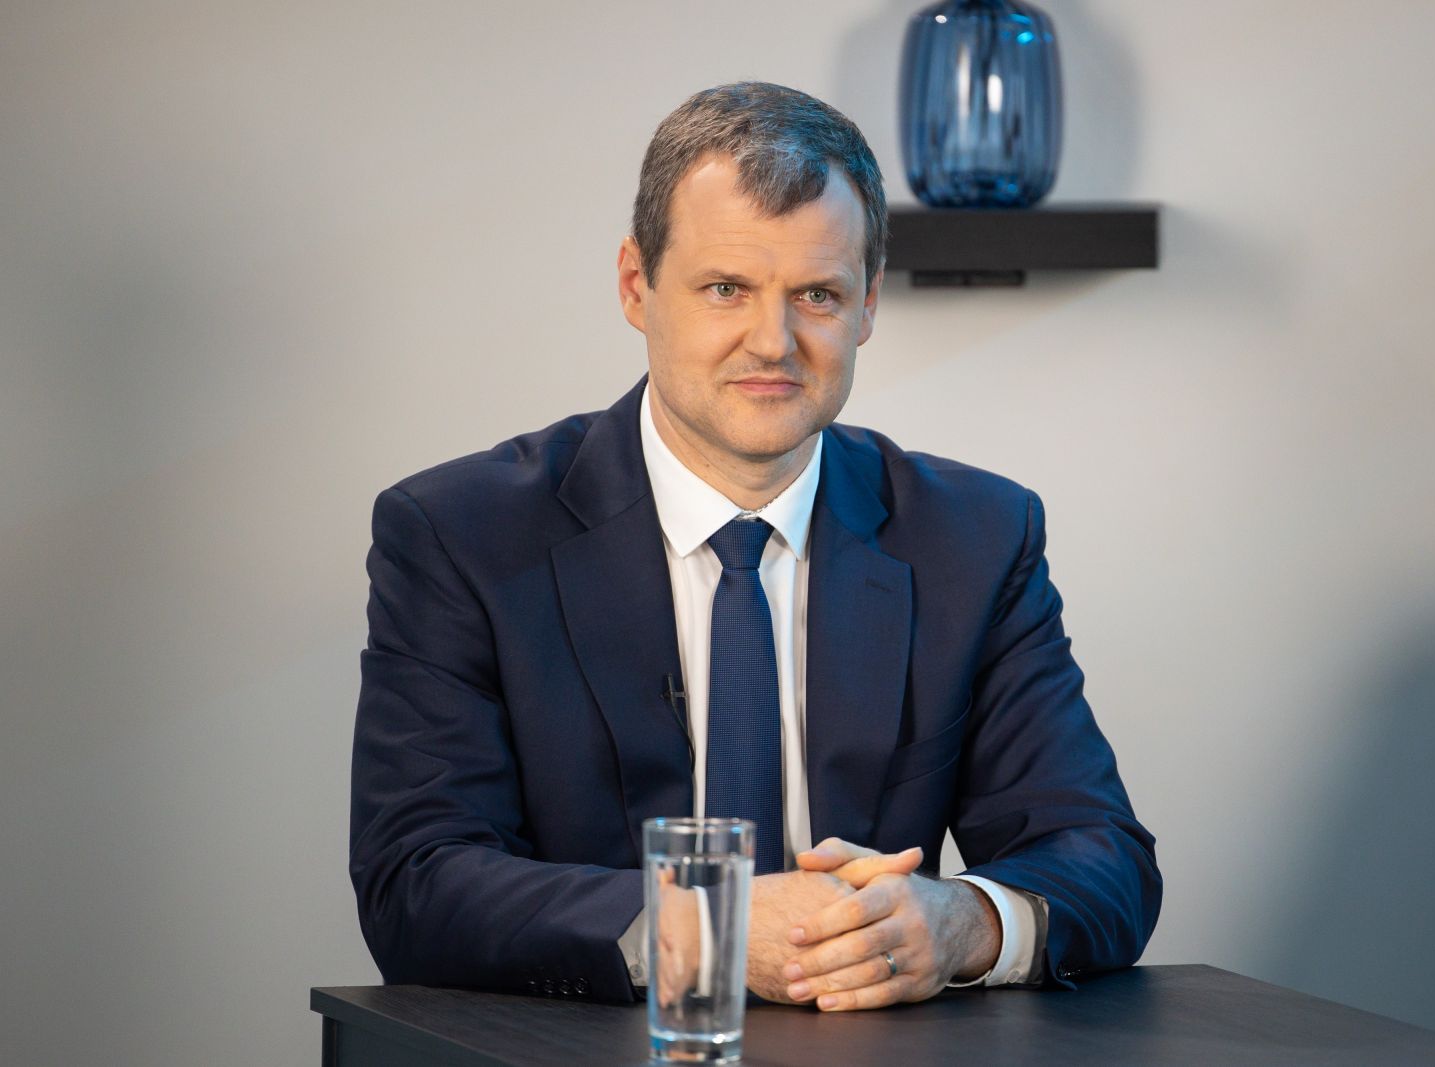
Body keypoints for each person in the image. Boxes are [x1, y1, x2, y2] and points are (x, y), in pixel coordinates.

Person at [350, 81, 1161, 1013]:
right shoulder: (459, 534)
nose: (773, 342)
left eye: (817, 294)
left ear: (866, 306)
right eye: (726, 288)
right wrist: (709, 928)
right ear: (636, 285)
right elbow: (416, 881)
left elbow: (1101, 854)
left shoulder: (974, 537)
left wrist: (958, 921)